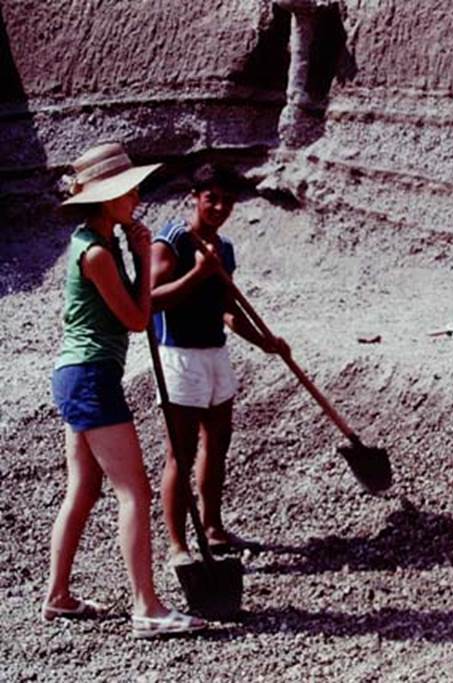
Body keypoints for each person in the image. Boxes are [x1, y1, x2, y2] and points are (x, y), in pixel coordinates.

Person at [44, 142, 207, 638]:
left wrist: (133, 256)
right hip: (90, 376)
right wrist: (140, 255)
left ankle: (58, 597)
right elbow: (138, 319)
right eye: (128, 191)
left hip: (79, 374)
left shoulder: (98, 240)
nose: (136, 197)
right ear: (104, 199)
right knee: (134, 491)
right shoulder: (97, 252)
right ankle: (147, 608)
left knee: (84, 488)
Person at [150, 163, 287, 567]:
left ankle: (213, 529)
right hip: (178, 355)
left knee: (217, 443)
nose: (220, 208)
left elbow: (227, 311)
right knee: (181, 452)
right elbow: (152, 300)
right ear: (194, 197)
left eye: (228, 201)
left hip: (215, 353)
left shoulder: (223, 248)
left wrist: (265, 342)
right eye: (212, 199)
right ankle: (178, 547)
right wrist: (198, 272)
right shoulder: (171, 240)